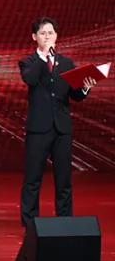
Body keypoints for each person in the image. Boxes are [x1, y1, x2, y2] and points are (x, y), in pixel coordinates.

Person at [19, 17, 95, 228]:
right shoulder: (28, 62)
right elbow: (30, 79)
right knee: (33, 179)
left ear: (56, 36)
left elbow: (75, 95)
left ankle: (65, 222)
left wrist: (85, 87)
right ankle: (30, 224)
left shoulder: (67, 63)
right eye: (43, 33)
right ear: (34, 37)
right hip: (38, 129)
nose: (47, 36)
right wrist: (44, 57)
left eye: (51, 33)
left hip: (62, 129)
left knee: (63, 180)